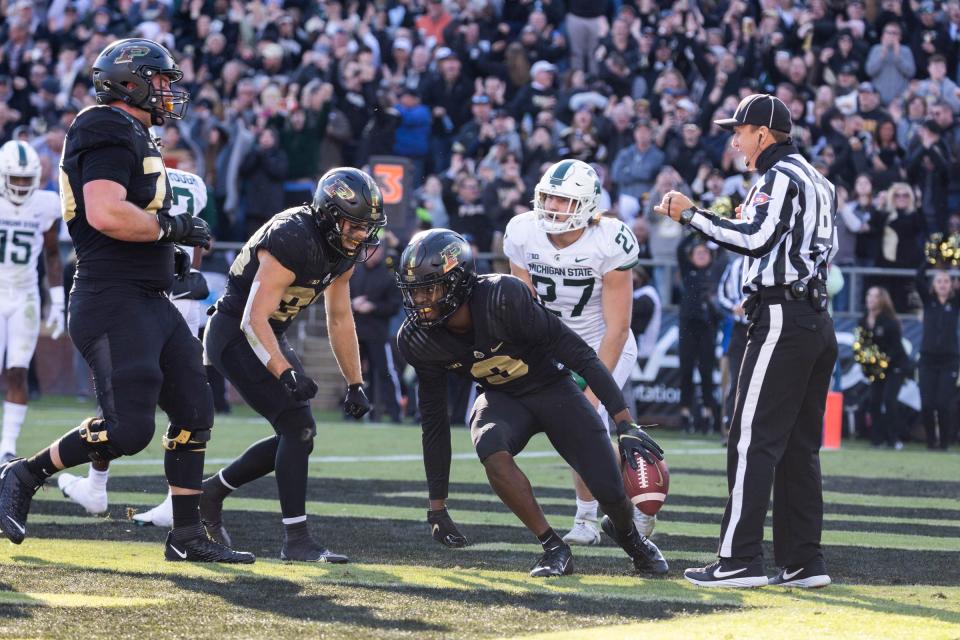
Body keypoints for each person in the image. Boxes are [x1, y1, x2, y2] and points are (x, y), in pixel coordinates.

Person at [0, 38, 254, 563]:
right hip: (111, 297)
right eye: (160, 80)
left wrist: (171, 256)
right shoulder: (106, 125)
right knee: (128, 429)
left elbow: (130, 220)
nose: (168, 91)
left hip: (148, 296)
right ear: (129, 81)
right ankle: (23, 473)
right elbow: (106, 213)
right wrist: (171, 227)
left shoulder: (133, 131)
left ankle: (184, 538)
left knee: (195, 408)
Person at [397, 228, 668, 578]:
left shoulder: (503, 298)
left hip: (553, 389)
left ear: (459, 282)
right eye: (414, 291)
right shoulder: (418, 339)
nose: (420, 301)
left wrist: (624, 421)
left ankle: (630, 538)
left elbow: (581, 355)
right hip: (502, 398)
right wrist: (437, 506)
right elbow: (433, 419)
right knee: (490, 445)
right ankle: (553, 546)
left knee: (610, 491)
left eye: (429, 289)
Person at [655, 94, 837, 589]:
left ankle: (737, 560)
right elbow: (818, 248)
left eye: (740, 131)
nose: (734, 140)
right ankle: (804, 562)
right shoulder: (818, 180)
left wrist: (691, 215)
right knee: (799, 448)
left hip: (780, 317)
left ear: (763, 133)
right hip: (816, 319)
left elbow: (755, 239)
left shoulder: (778, 178)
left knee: (751, 440)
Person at [197, 167, 381, 562]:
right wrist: (284, 370)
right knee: (297, 428)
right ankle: (295, 540)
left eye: (367, 227)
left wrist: (355, 382)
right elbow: (252, 318)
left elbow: (339, 317)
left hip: (266, 331)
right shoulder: (293, 237)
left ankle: (212, 492)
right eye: (354, 224)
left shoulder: (341, 250)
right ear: (329, 214)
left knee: (299, 431)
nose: (361, 235)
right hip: (235, 333)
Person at [502, 159, 653, 546]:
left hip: (604, 343)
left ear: (587, 205)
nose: (552, 207)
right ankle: (594, 516)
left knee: (587, 422)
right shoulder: (522, 232)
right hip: (552, 347)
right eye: (548, 197)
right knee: (573, 426)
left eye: (564, 200)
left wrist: (591, 388)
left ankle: (618, 512)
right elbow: (525, 305)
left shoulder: (609, 240)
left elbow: (618, 327)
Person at [56, 167, 213, 524]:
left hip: (144, 291)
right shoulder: (194, 184)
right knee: (187, 402)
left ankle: (96, 486)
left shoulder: (140, 176)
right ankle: (176, 503)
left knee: (119, 401)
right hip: (186, 292)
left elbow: (125, 226)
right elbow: (200, 237)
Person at [0, 141, 64, 463]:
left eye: (28, 179)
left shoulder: (47, 204)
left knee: (17, 371)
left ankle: (6, 447)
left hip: (25, 296)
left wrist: (58, 301)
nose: (23, 186)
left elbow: (52, 254)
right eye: (17, 179)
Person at [350, 242, 403, 423]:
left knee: (386, 373)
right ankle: (353, 413)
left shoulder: (388, 276)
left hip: (378, 334)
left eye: (377, 249)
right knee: (353, 375)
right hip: (356, 332)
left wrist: (373, 307)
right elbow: (341, 298)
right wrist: (353, 304)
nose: (374, 253)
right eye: (370, 249)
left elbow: (395, 306)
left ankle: (395, 415)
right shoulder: (354, 273)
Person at [859, 286, 910, 450]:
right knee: (874, 401)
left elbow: (895, 349)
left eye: (874, 296)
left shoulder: (890, 321)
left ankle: (894, 439)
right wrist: (868, 365)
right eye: (869, 295)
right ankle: (876, 439)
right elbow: (863, 346)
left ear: (881, 300)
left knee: (889, 400)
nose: (870, 299)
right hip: (877, 368)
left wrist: (881, 363)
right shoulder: (863, 320)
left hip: (896, 365)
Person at [914, 265, 958, 450]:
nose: (942, 284)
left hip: (949, 361)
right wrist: (929, 261)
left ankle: (945, 443)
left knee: (943, 404)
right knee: (927, 404)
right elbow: (918, 279)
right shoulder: (928, 301)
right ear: (933, 285)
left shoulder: (955, 304)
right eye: (939, 281)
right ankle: (931, 442)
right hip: (927, 360)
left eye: (946, 281)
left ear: (952, 285)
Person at [717, 254, 749, 442]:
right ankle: (730, 427)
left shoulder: (768, 260)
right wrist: (734, 307)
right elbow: (721, 295)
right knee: (736, 378)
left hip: (764, 327)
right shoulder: (736, 265)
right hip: (740, 329)